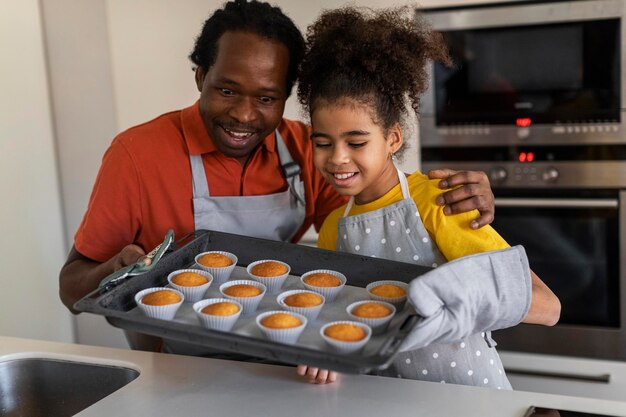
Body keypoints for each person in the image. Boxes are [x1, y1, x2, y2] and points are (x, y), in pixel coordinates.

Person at [59, 0, 497, 352]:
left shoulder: (308, 147)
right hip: (171, 364)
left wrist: (446, 196)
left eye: (266, 98)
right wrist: (114, 272)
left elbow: (368, 212)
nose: (244, 115)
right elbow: (70, 286)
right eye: (227, 90)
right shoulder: (137, 155)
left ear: (286, 97)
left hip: (281, 351)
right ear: (200, 76)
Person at [294, 6, 560, 387]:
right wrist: (327, 349)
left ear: (393, 138)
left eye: (356, 141)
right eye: (323, 142)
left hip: (470, 401)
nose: (337, 158)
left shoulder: (438, 202)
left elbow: (547, 306)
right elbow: (346, 327)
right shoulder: (335, 227)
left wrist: (449, 302)